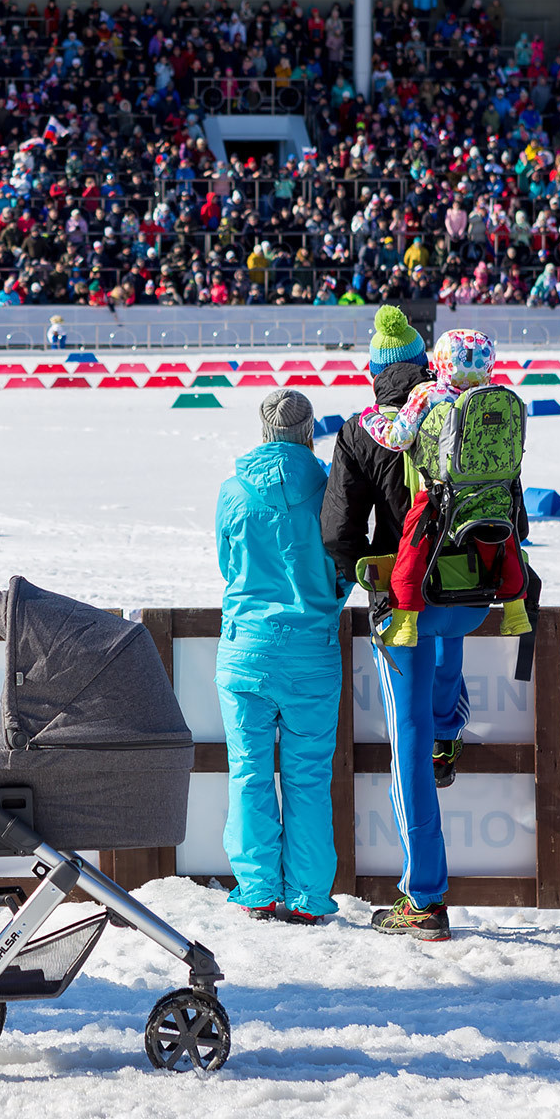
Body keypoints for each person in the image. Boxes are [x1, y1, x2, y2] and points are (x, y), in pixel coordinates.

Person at [321, 307, 482, 943]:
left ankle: (424, 899)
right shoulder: (463, 410)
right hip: (472, 594)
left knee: (405, 748)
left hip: (405, 604)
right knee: (448, 649)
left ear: (373, 375)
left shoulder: (362, 432)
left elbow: (338, 532)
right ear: (422, 363)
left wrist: (363, 576)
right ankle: (451, 728)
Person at [213, 389, 345, 926]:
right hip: (312, 654)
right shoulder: (330, 491)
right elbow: (342, 566)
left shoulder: (233, 491)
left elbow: (227, 565)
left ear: (264, 433)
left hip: (246, 651)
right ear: (309, 432)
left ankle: (258, 889)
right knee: (308, 778)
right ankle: (309, 897)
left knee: (248, 772)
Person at [355, 328, 529, 650]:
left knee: (413, 546)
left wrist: (369, 419)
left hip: (439, 493)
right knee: (502, 545)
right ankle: (516, 611)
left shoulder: (429, 394)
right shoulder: (499, 398)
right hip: (492, 494)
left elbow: (398, 439)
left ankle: (405, 622)